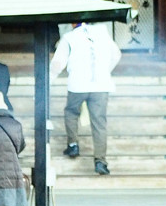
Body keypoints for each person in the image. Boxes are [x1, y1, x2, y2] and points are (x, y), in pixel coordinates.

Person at [50, 21, 121, 176]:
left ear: (73, 23)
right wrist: (105, 71)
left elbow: (57, 63)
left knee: (71, 112)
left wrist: (47, 81)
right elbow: (116, 55)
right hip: (101, 85)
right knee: (99, 122)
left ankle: (73, 145)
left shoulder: (69, 37)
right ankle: (100, 161)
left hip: (78, 84)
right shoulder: (102, 33)